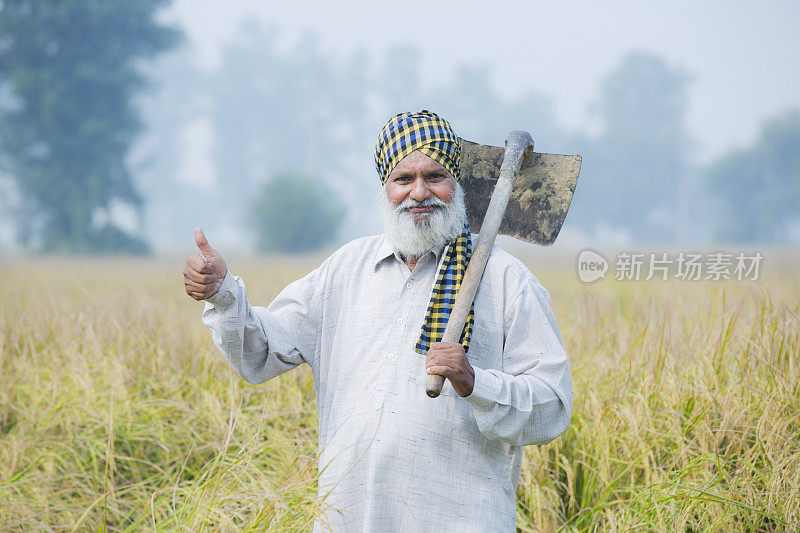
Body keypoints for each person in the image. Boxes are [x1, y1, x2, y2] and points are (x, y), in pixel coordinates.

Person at [183, 110, 572, 532]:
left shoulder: (506, 281)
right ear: (385, 188)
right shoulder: (345, 270)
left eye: (435, 177)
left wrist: (474, 382)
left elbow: (551, 405)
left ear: (457, 184)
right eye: (403, 179)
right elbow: (261, 352)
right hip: (350, 521)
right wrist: (223, 293)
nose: (419, 192)